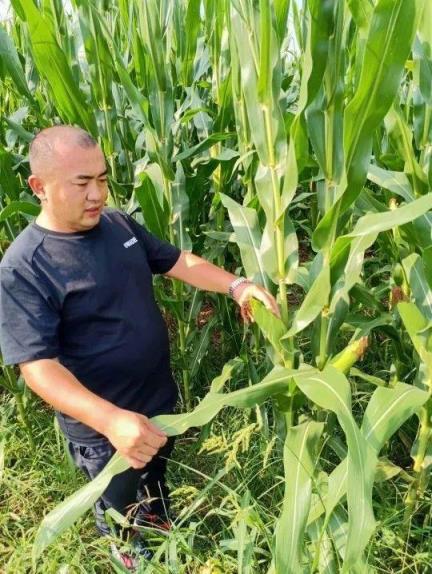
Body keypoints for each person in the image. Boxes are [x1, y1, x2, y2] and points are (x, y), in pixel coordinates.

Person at [0, 125, 280, 569]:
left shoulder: (116, 224)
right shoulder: (25, 266)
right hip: (103, 429)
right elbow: (37, 367)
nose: (97, 194)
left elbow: (174, 261)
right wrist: (112, 421)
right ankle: (127, 547)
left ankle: (156, 515)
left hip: (157, 401)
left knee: (154, 476)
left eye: (102, 178)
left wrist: (238, 285)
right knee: (118, 498)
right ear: (39, 187)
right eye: (81, 183)